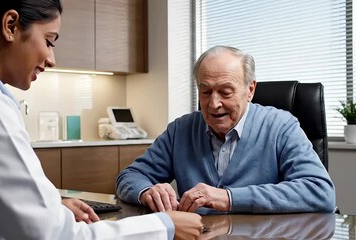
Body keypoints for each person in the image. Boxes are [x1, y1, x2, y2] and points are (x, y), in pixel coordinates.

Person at [0, 1, 203, 239]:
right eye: (49, 41)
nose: (51, 59)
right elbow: (53, 235)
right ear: (10, 25)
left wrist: (51, 210)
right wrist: (163, 227)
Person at [116, 45, 336, 214]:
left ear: (250, 90)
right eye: (205, 91)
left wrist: (228, 198)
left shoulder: (281, 126)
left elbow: (320, 192)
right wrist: (146, 191)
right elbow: (130, 176)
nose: (213, 104)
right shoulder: (180, 130)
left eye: (225, 92)